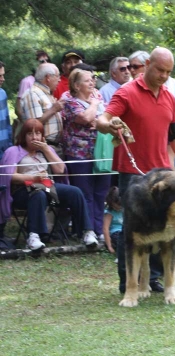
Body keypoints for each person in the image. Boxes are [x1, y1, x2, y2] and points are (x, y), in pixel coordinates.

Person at [97, 47, 175, 293]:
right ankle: (127, 281)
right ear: (148, 64)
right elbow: (102, 119)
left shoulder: (168, 96)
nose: (163, 76)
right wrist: (110, 127)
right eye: (159, 69)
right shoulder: (127, 92)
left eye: (168, 72)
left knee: (161, 224)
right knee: (132, 227)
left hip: (162, 171)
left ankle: (152, 278)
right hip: (133, 171)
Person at [0, 119, 98, 251]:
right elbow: (10, 176)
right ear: (24, 136)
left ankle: (87, 232)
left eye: (38, 133)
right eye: (30, 134)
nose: (34, 137)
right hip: (23, 191)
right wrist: (33, 178)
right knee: (38, 193)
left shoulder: (46, 150)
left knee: (75, 192)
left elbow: (60, 169)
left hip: (47, 187)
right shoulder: (14, 151)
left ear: (42, 136)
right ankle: (33, 236)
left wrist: (46, 149)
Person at [61, 68, 111, 240]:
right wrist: (95, 106)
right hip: (79, 154)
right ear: (76, 85)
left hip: (100, 153)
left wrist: (97, 121)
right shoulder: (70, 101)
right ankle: (86, 230)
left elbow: (105, 120)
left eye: (93, 79)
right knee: (85, 193)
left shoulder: (98, 96)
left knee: (100, 192)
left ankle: (98, 230)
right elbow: (84, 118)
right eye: (87, 80)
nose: (92, 82)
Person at [20, 63, 64, 155]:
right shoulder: (33, 94)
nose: (59, 80)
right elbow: (33, 125)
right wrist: (54, 109)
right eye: (57, 76)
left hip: (53, 146)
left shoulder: (45, 93)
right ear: (48, 77)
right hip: (42, 148)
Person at [16, 51, 50, 121]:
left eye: (47, 60)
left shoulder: (48, 80)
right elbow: (18, 108)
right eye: (42, 61)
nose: (46, 63)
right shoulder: (27, 81)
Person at [102, 186, 122, 255]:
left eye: (120, 207)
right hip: (115, 232)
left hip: (125, 230)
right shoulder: (109, 213)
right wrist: (109, 246)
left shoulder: (125, 209)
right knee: (120, 240)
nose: (118, 209)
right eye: (115, 207)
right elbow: (105, 229)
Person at [0, 61, 12, 159]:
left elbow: (7, 123)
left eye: (3, 75)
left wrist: (10, 145)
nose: (2, 79)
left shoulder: (2, 94)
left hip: (4, 150)